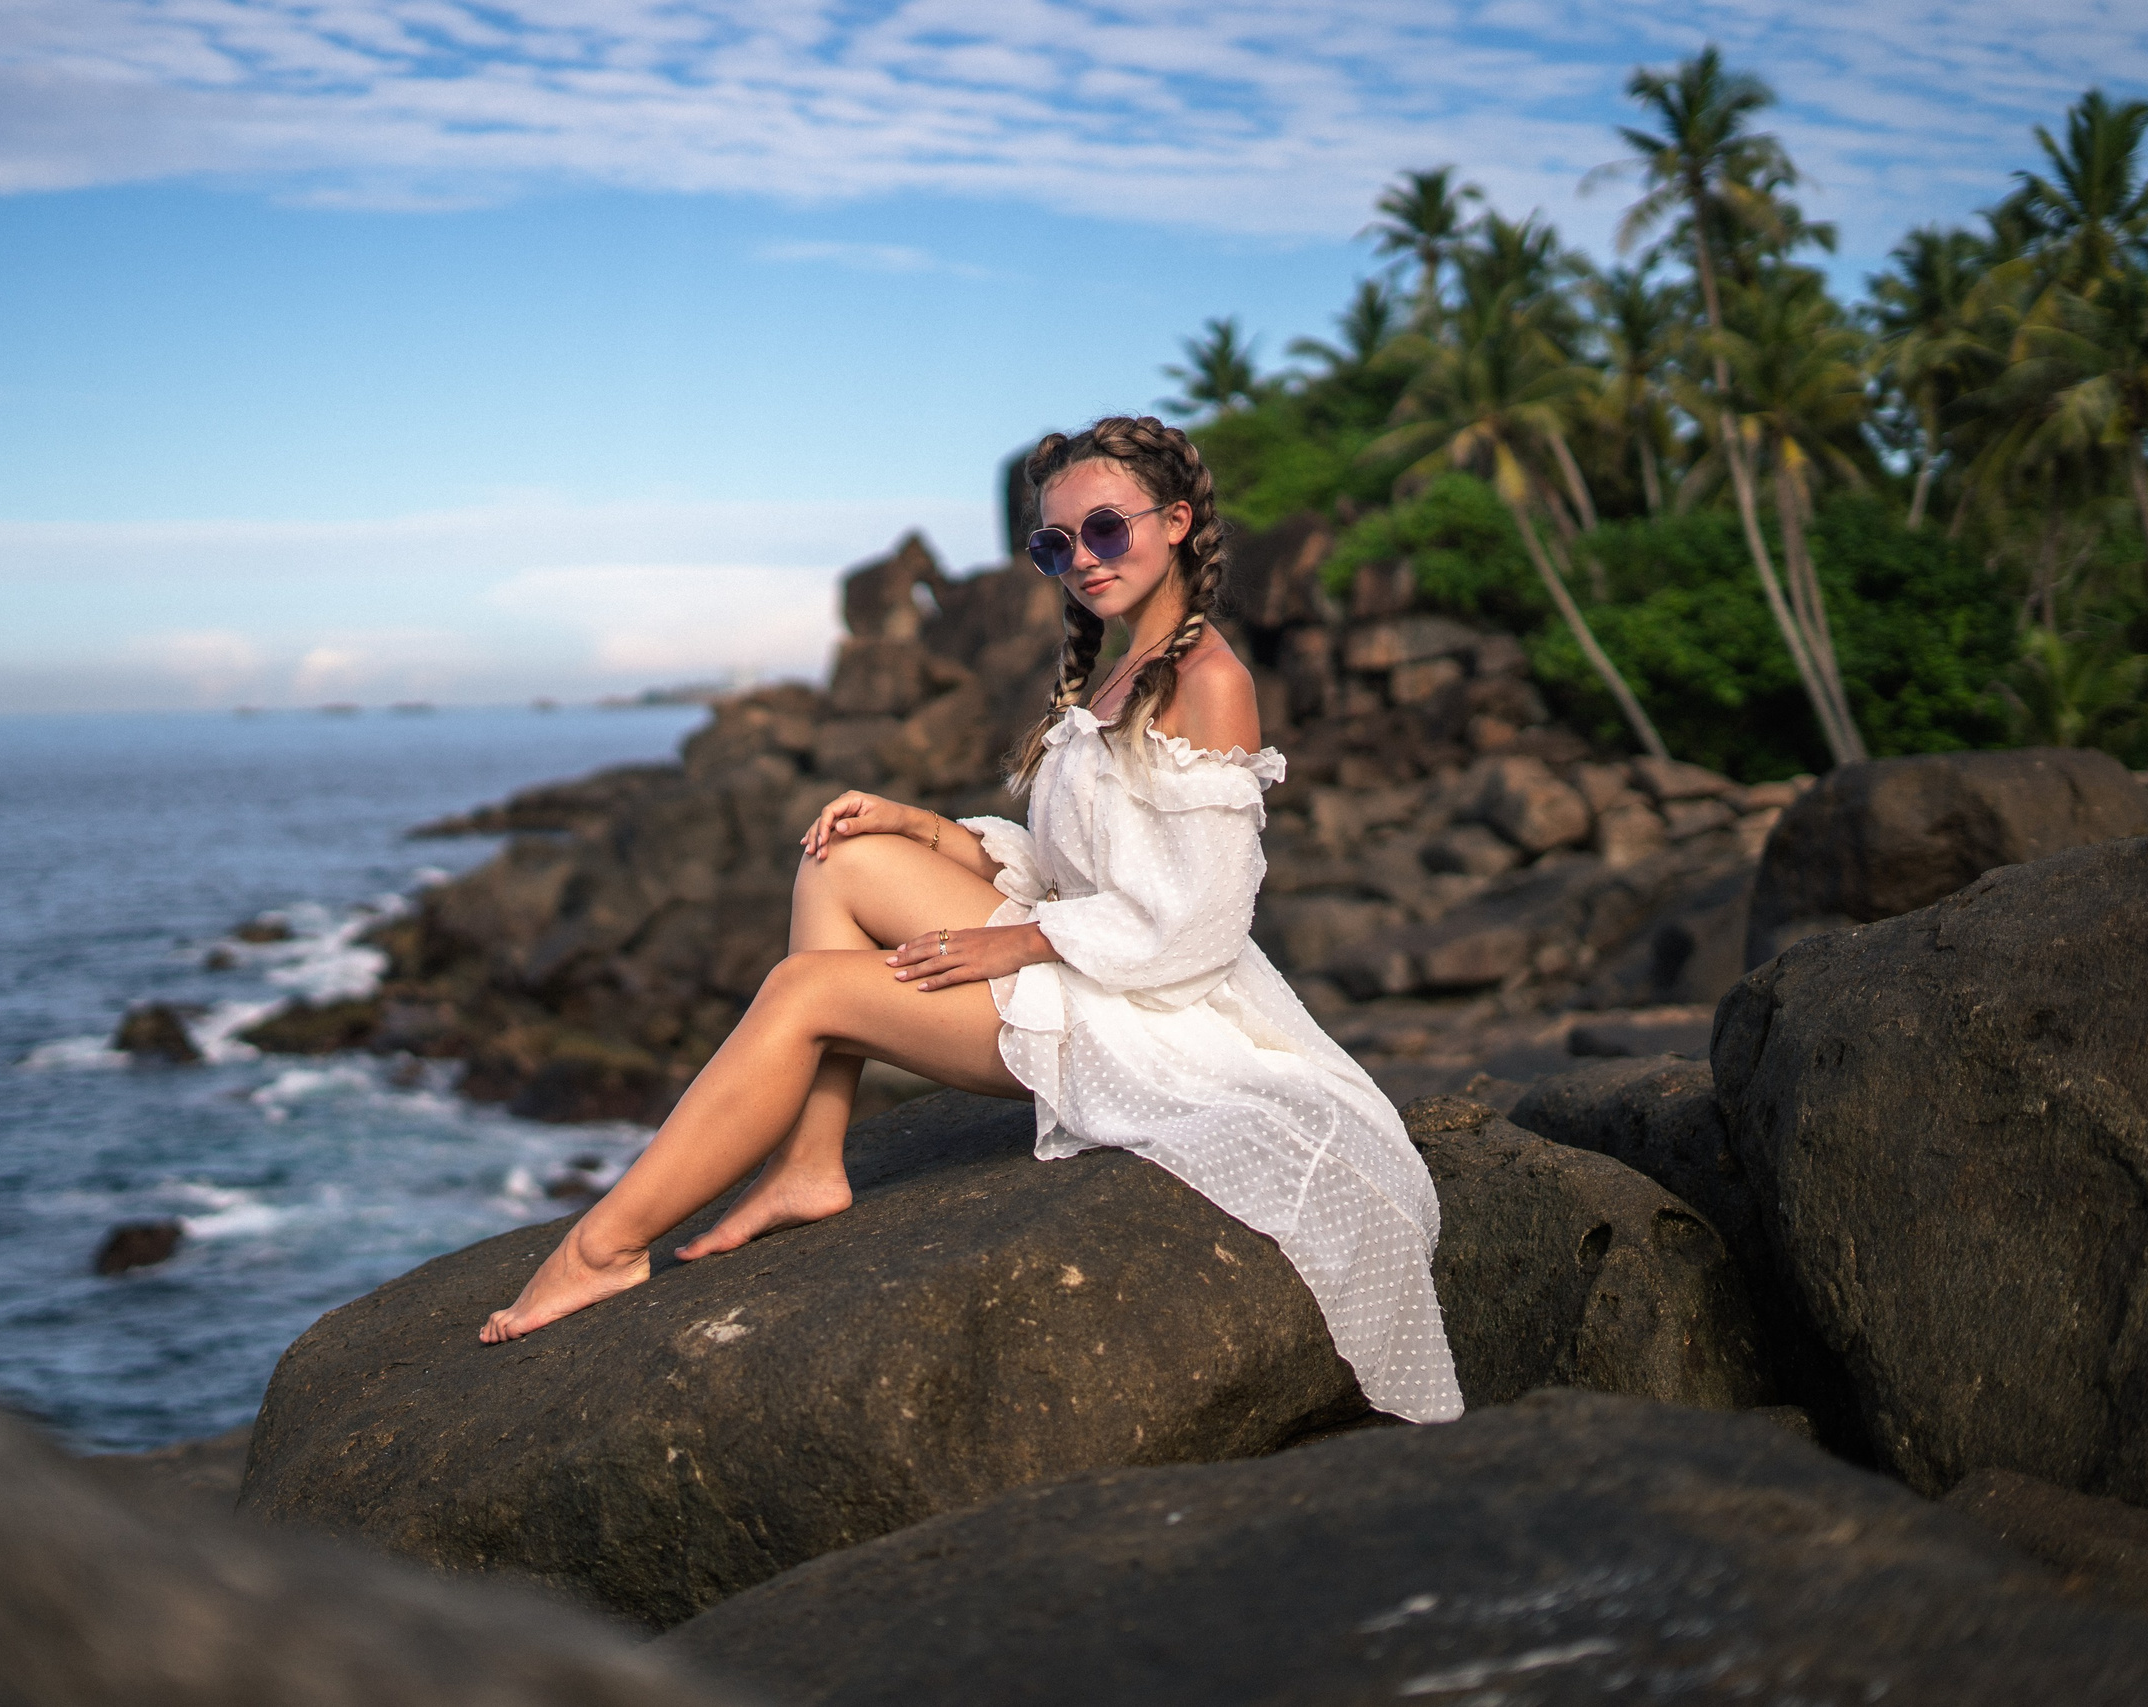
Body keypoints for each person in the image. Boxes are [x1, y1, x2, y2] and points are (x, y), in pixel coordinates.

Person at [481, 416, 1463, 1425]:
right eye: (1055, 544)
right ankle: (809, 1163)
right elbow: (1084, 863)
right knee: (844, 855)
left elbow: (1200, 925)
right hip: (1093, 951)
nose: (1080, 559)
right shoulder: (1126, 664)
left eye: (1106, 530)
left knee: (804, 991)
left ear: (1174, 524)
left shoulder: (1209, 685)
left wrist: (1026, 940)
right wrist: (922, 829)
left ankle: (601, 1249)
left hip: (1145, 1008)